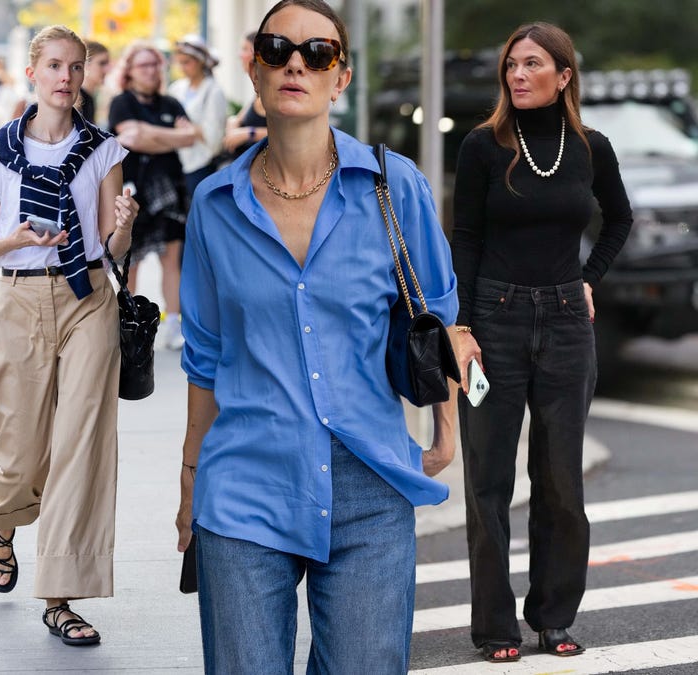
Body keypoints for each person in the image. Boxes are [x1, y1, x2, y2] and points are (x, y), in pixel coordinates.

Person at [175, 1, 459, 672]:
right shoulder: (215, 205)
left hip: (370, 486)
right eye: (276, 49)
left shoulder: (394, 188)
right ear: (255, 71)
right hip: (245, 483)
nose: (295, 63)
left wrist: (445, 429)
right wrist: (190, 483)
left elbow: (436, 313)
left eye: (317, 53)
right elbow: (205, 354)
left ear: (342, 78)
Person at [451, 22, 632, 664]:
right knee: (489, 483)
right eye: (511, 66)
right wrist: (463, 327)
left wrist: (588, 279)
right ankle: (495, 628)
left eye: (532, 65)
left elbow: (621, 218)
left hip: (564, 324)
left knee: (561, 484)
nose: (518, 76)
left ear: (563, 75)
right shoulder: (480, 146)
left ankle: (554, 618)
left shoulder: (591, 148)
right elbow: (465, 237)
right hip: (494, 318)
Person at [0, 24, 137, 647]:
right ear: (33, 74)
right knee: (20, 447)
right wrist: (14, 239)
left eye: (76, 67)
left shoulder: (104, 150)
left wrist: (122, 225)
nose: (65, 77)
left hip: (87, 298)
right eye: (54, 66)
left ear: (84, 76)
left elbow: (112, 246)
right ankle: (5, 515)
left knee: (82, 443)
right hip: (18, 297)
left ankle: (60, 595)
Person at [108, 42, 197, 351]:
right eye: (143, 65)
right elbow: (130, 136)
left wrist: (148, 135)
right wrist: (170, 136)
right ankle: (129, 325)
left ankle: (173, 324)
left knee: (172, 259)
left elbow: (190, 136)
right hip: (135, 190)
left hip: (171, 191)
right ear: (130, 72)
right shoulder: (122, 102)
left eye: (155, 65)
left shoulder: (171, 103)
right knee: (131, 261)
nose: (151, 71)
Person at [168, 35, 227, 196]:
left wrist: (191, 128)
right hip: (177, 163)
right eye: (180, 62)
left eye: (187, 62)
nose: (182, 67)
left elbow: (215, 140)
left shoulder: (213, 92)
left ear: (200, 61)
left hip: (201, 167)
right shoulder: (176, 88)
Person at [223, 31, 268, 162]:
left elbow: (286, 134)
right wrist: (233, 122)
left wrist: (249, 133)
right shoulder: (258, 89)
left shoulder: (268, 91)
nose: (239, 55)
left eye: (244, 49)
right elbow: (236, 119)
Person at [79, 39, 110, 126]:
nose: (107, 69)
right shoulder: (75, 99)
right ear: (85, 64)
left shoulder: (90, 98)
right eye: (102, 63)